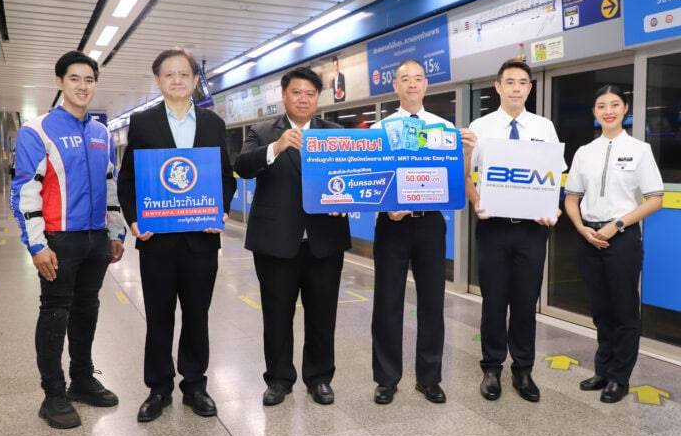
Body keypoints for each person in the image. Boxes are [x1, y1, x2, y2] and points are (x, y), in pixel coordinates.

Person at [117, 48, 236, 422]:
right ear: (158, 80)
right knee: (159, 317)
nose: (177, 80)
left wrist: (220, 209)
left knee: (197, 316)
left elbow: (225, 177)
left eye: (184, 74)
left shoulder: (213, 123)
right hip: (158, 241)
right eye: (169, 74)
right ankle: (158, 388)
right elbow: (128, 180)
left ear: (195, 80)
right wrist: (134, 221)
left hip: (201, 239)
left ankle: (195, 385)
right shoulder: (143, 123)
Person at [10, 50, 126, 429]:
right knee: (55, 312)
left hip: (96, 239)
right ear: (59, 82)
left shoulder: (100, 133)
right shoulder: (38, 131)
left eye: (89, 79)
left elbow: (109, 185)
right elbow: (25, 191)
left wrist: (115, 231)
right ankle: (53, 394)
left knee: (87, 309)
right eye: (74, 78)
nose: (82, 86)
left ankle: (82, 379)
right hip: (59, 239)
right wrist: (37, 245)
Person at [234, 67, 351, 406]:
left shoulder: (335, 134)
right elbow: (243, 166)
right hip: (276, 241)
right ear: (284, 96)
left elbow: (353, 175)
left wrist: (347, 199)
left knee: (322, 314)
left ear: (318, 98)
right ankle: (279, 379)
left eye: (310, 94)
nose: (303, 99)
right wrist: (276, 147)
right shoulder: (262, 132)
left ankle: (319, 378)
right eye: (296, 92)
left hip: (324, 241)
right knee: (276, 314)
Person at [370, 59, 475, 404]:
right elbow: (373, 178)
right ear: (396, 86)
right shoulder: (380, 130)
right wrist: (387, 205)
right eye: (405, 79)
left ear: (426, 85)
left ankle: (429, 378)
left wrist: (466, 153)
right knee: (387, 302)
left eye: (418, 78)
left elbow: (456, 180)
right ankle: (386, 379)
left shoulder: (444, 129)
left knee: (432, 301)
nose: (412, 84)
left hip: (430, 224)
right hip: (392, 224)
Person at [466, 59, 562, 403]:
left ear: (530, 88)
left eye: (523, 82)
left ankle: (523, 369)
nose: (516, 88)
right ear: (498, 86)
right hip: (493, 227)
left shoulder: (544, 127)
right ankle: (492, 368)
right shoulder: (480, 126)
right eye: (510, 82)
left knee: (524, 302)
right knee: (493, 302)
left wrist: (552, 208)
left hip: (532, 231)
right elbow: (465, 173)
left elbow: (553, 176)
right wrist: (476, 201)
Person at [564, 85, 663, 403]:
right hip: (589, 237)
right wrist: (582, 228)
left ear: (625, 109)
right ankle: (603, 370)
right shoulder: (584, 152)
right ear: (594, 111)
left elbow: (655, 199)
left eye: (615, 104)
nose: (608, 111)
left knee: (624, 310)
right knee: (600, 310)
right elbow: (571, 198)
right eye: (602, 105)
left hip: (622, 238)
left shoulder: (640, 149)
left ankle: (620, 378)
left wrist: (617, 225)